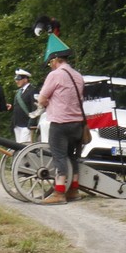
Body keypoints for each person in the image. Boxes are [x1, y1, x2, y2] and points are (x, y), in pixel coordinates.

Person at [35, 35, 84, 203]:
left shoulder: (55, 75)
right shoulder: (78, 76)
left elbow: (42, 99)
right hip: (77, 123)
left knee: (59, 156)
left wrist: (47, 103)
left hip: (60, 122)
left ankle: (59, 192)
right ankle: (74, 191)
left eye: (50, 62)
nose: (50, 65)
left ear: (55, 59)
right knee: (72, 157)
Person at [11, 69, 38, 143]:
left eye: (19, 79)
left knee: (24, 146)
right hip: (17, 124)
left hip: (27, 124)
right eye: (16, 79)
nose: (17, 81)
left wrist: (32, 122)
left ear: (25, 79)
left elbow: (35, 107)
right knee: (18, 146)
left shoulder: (33, 90)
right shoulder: (19, 92)